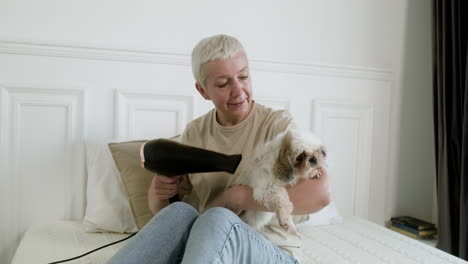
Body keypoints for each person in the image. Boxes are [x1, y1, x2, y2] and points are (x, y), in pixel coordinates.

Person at [107, 34, 331, 264]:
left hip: (270, 253)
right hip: (207, 250)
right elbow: (176, 218)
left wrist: (239, 197)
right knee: (181, 213)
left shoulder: (279, 127)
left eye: (243, 77)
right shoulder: (195, 133)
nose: (238, 91)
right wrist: (158, 197)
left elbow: (321, 196)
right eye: (223, 84)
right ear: (203, 90)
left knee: (216, 217)